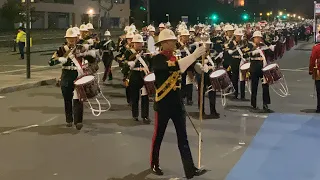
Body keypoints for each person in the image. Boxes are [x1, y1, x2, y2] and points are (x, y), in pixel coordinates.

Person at [150, 29, 207, 179]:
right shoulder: (157, 59)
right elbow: (175, 66)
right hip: (163, 104)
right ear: (164, 43)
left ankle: (190, 170)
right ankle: (154, 164)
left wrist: (198, 67)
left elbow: (187, 67)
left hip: (177, 104)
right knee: (158, 136)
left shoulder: (176, 57)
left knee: (183, 137)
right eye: (172, 41)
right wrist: (194, 55)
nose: (175, 43)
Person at [48, 28, 96, 130]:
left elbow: (94, 59)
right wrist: (59, 60)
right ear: (66, 39)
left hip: (78, 74)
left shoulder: (82, 48)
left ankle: (78, 121)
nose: (71, 40)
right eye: (69, 38)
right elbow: (51, 62)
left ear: (76, 38)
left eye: (73, 38)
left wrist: (88, 53)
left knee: (79, 98)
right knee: (67, 99)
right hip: (66, 75)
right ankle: (69, 119)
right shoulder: (62, 49)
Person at [125, 34, 151, 124]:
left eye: (140, 43)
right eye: (137, 43)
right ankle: (135, 114)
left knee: (145, 97)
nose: (139, 45)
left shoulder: (146, 52)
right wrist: (128, 64)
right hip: (134, 75)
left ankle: (145, 115)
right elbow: (124, 64)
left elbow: (149, 63)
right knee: (135, 96)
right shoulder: (128, 52)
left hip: (143, 76)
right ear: (133, 43)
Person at [246, 31, 274, 113]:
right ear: (253, 38)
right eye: (256, 38)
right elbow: (245, 54)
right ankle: (253, 104)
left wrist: (270, 48)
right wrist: (253, 52)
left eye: (259, 38)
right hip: (254, 68)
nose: (258, 39)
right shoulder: (250, 45)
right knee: (254, 87)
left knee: (265, 86)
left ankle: (265, 104)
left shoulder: (263, 45)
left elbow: (270, 55)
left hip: (263, 68)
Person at [309, 43, 320, 113]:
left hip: (319, 71)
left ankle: (319, 107)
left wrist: (311, 70)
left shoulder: (316, 47)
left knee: (319, 91)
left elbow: (312, 59)